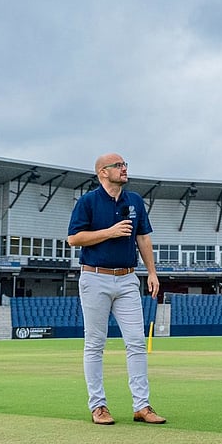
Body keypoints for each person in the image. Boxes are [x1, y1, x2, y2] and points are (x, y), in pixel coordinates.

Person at [67, 153, 165, 426]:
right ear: (102, 172)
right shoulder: (87, 202)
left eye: (125, 165)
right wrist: (109, 232)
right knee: (95, 344)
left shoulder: (134, 201)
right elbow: (73, 238)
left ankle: (142, 406)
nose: (124, 169)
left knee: (136, 341)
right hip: (94, 277)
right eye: (118, 166)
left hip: (127, 278)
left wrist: (152, 272)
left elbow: (143, 237)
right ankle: (98, 406)